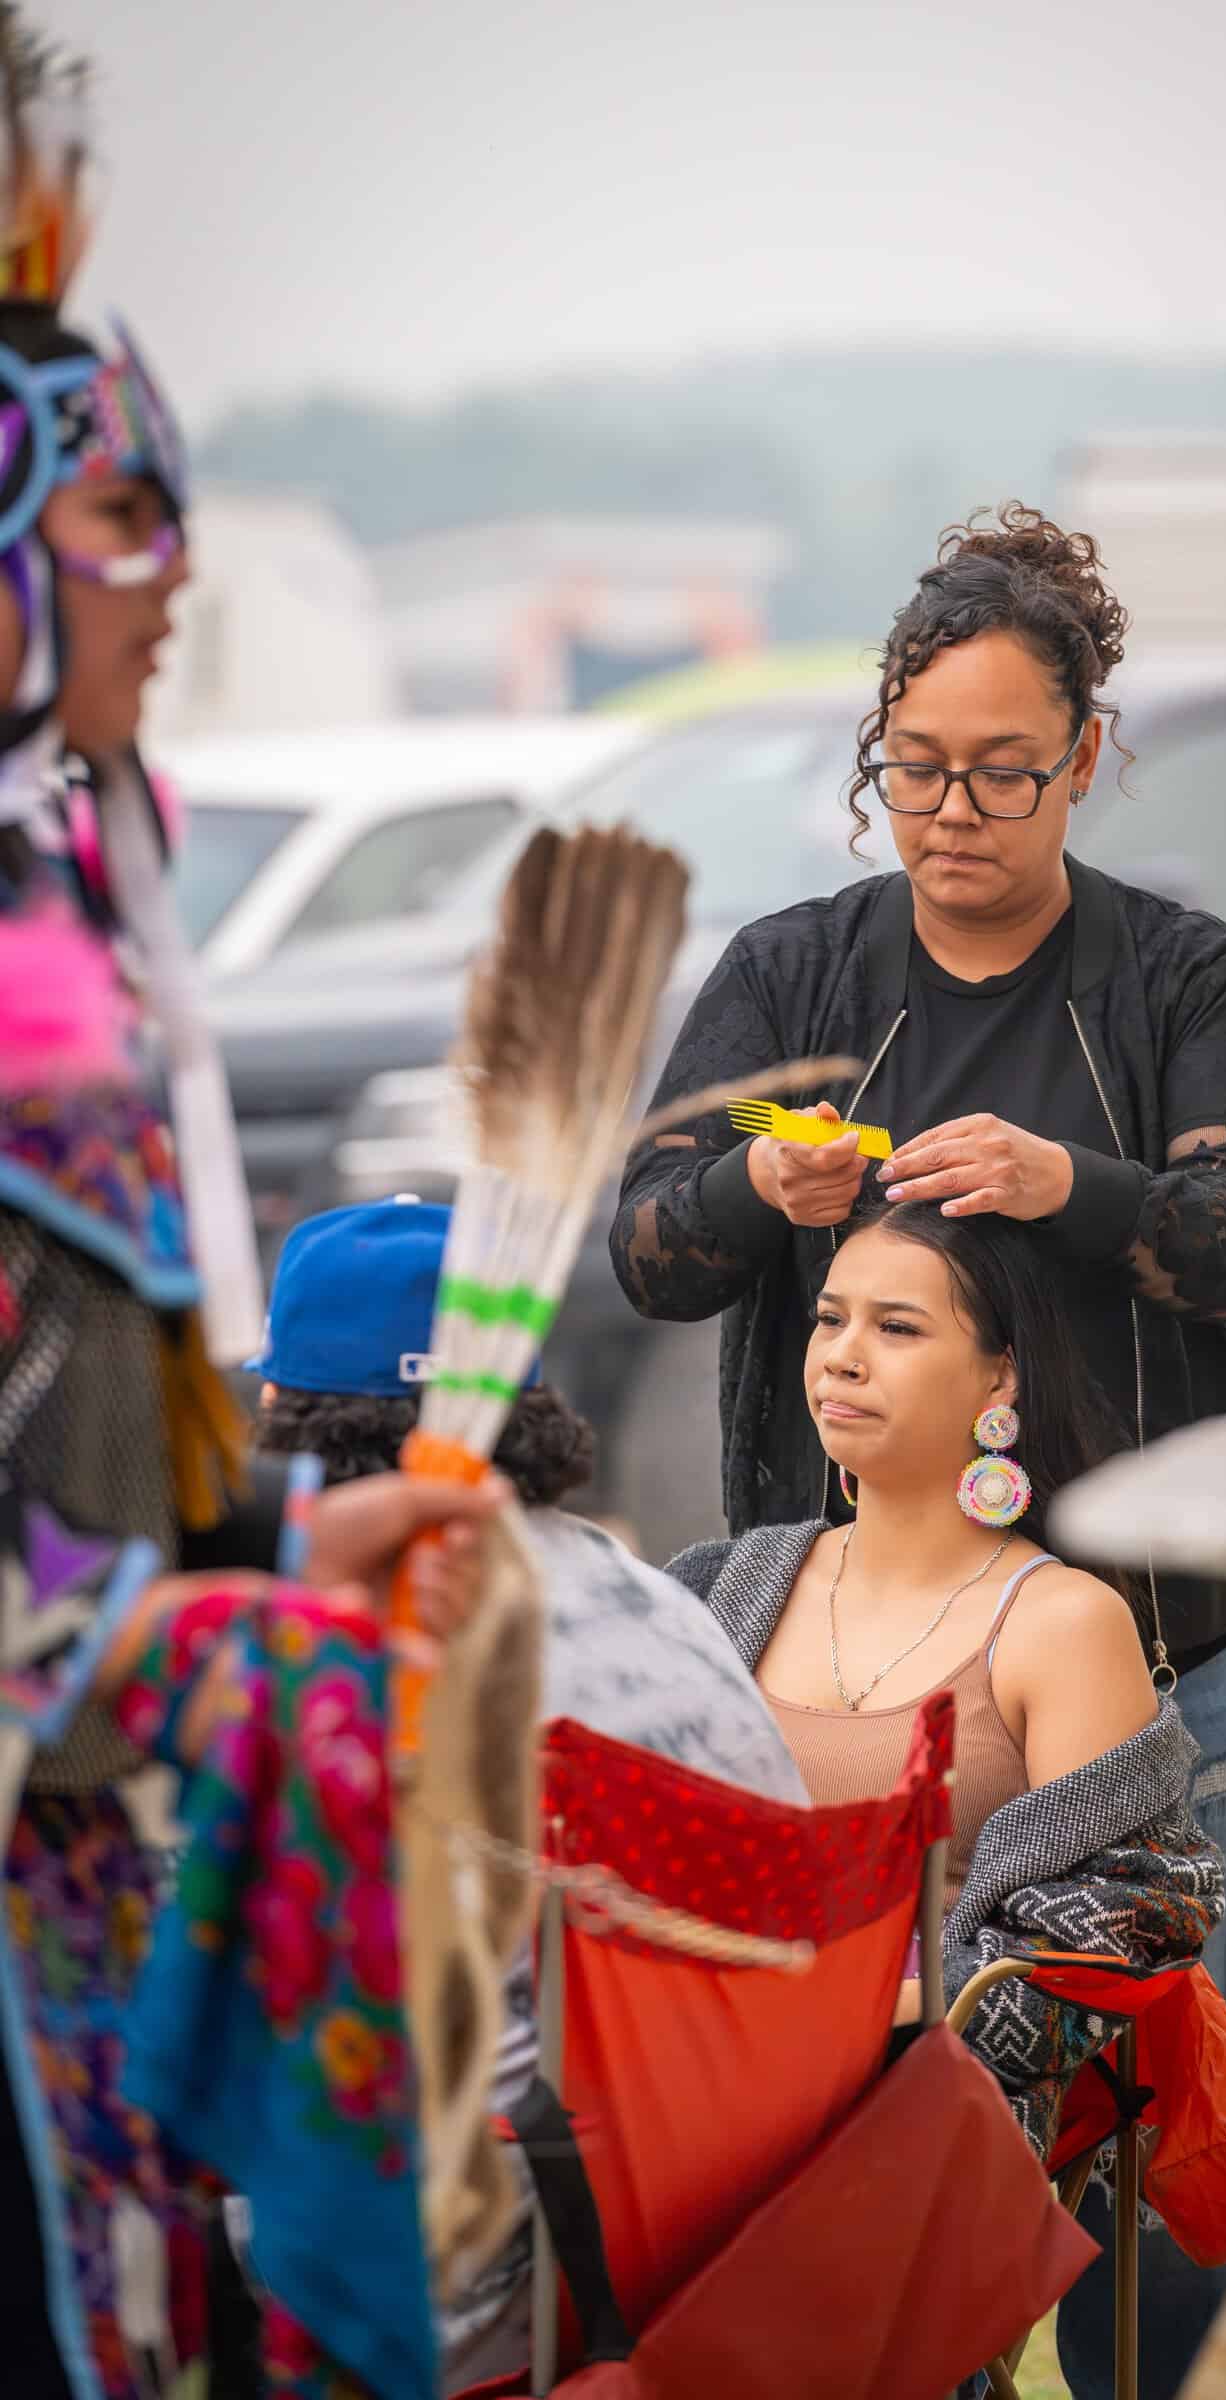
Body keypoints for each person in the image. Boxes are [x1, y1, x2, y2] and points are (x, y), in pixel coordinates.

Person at [612, 504, 1226, 2395]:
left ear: (1086, 757)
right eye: (913, 768)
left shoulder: (1181, 980)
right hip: (853, 1667)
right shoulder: (797, 978)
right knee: (848, 2154)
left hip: (1145, 1643)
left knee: (1147, 2154)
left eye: (1003, 771)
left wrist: (1068, 1184)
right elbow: (648, 1246)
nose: (951, 813)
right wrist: (757, 1186)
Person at [0, 31, 501, 2395]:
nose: (174, 568)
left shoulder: (84, 929)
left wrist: (286, 1557)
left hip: (79, 1891)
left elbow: (98, 1472)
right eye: (120, 514)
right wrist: (185, 1640)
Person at [248, 1195, 809, 2387]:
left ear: (287, 1415)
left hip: (500, 2247)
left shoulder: (360, 1651)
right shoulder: (654, 1596)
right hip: (740, 2214)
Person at [669, 1202, 1223, 2158]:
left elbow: (1109, 1936)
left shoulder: (1062, 1622)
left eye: (897, 1328)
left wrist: (844, 2009)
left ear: (1001, 1375)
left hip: (922, 2118)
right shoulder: (723, 1587)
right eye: (830, 1318)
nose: (842, 1357)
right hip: (686, 2073)